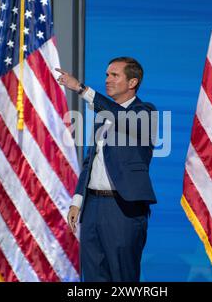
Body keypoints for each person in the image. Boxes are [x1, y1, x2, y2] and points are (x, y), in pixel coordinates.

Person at [56, 57, 157, 282]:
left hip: (123, 209)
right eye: (106, 75)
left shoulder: (146, 112)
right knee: (92, 277)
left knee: (122, 278)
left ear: (132, 82)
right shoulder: (102, 117)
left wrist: (82, 89)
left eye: (114, 75)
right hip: (93, 208)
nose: (107, 80)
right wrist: (77, 200)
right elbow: (90, 162)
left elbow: (121, 116)